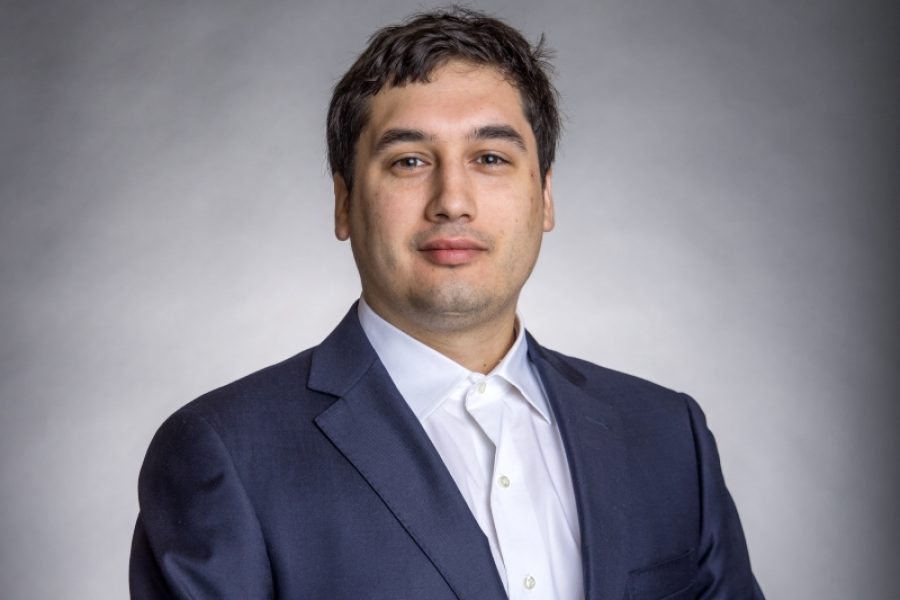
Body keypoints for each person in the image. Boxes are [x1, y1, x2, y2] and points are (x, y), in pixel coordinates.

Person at [130, 7, 764, 599]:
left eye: (490, 158)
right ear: (344, 203)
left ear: (544, 196)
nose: (452, 200)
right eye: (409, 161)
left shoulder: (667, 435)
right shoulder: (226, 454)